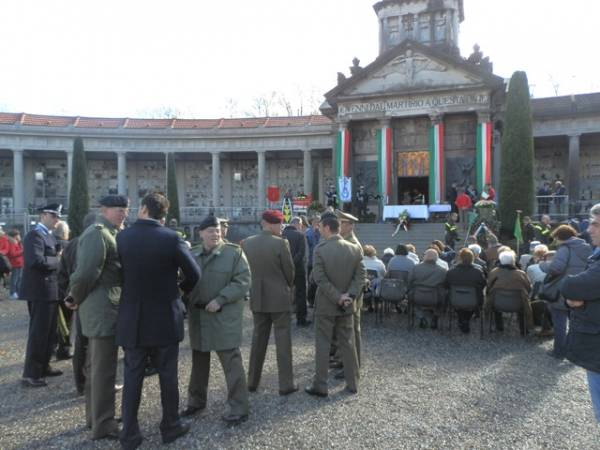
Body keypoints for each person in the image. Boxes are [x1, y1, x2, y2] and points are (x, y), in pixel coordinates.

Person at [116, 192, 201, 449]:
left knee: (132, 377)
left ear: (143, 209)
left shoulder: (123, 237)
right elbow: (194, 274)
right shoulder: (171, 238)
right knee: (167, 375)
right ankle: (170, 426)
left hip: (133, 316)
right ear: (163, 214)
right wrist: (179, 289)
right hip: (164, 316)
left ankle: (129, 434)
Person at [67, 195, 129, 441]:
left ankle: (96, 417)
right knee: (103, 369)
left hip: (103, 306)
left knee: (96, 367)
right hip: (102, 308)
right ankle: (104, 425)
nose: (123, 213)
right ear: (103, 210)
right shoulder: (99, 233)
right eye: (118, 209)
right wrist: (75, 296)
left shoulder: (110, 232)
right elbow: (85, 272)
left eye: (125, 209)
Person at [183, 215, 250, 425]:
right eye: (211, 230)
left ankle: (239, 407)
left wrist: (221, 299)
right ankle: (196, 401)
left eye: (218, 230)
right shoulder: (191, 254)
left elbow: (243, 281)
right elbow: (182, 282)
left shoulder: (234, 253)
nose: (216, 233)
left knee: (231, 362)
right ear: (200, 233)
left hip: (224, 316)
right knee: (199, 361)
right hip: (199, 317)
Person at [305, 214, 365, 397]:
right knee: (348, 344)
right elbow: (361, 277)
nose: (319, 230)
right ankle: (353, 383)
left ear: (327, 228)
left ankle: (320, 385)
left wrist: (337, 297)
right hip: (347, 305)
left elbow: (319, 279)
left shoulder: (320, 249)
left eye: (320, 227)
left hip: (326, 305)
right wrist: (349, 296)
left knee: (323, 344)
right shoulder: (355, 249)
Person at [241, 210, 297, 395]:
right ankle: (286, 384)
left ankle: (252, 381)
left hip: (258, 296)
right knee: (283, 341)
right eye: (279, 224)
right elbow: (289, 271)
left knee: (258, 341)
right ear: (269, 224)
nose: (281, 227)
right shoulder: (281, 243)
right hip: (279, 297)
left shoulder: (247, 243)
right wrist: (288, 287)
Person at [560, 203, 600, 423]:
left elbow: (569, 286)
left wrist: (579, 295)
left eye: (595, 224)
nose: (589, 229)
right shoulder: (592, 253)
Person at [21, 203, 63, 388]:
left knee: (50, 333)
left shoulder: (48, 235)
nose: (57, 220)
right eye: (54, 216)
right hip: (40, 291)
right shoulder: (34, 235)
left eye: (58, 217)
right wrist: (58, 260)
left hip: (50, 291)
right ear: (44, 215)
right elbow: (35, 261)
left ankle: (44, 365)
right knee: (39, 333)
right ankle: (31, 373)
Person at [57, 212, 97, 395]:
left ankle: (82, 383)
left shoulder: (71, 244)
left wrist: (69, 296)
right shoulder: (92, 243)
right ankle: (90, 383)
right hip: (91, 299)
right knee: (91, 344)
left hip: (77, 298)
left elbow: (62, 274)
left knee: (82, 343)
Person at [540, 225, 591, 359]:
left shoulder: (565, 248)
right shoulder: (587, 247)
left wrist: (542, 265)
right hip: (580, 290)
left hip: (563, 290)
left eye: (556, 238)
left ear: (560, 237)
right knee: (575, 323)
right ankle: (572, 350)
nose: (555, 242)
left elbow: (556, 269)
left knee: (559, 323)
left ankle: (559, 352)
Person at [485, 250, 533, 334]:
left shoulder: (494, 272)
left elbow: (488, 288)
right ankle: (523, 329)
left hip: (497, 304)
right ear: (513, 261)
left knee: (494, 296)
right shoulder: (521, 274)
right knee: (523, 299)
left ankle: (499, 327)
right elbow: (528, 288)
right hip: (518, 304)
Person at [445, 248, 486, 333]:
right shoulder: (478, 272)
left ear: (460, 258)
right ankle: (466, 319)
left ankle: (462, 319)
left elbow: (446, 285)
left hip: (455, 300)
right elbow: (483, 284)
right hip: (473, 300)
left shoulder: (451, 272)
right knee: (474, 299)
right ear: (472, 258)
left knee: (457, 300)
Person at [408, 248, 448, 329]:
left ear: (425, 257)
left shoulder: (416, 268)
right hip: (435, 297)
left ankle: (421, 317)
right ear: (436, 258)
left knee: (411, 301)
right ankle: (435, 316)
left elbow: (409, 281)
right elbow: (445, 285)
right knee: (443, 298)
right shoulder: (442, 271)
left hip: (418, 296)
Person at [282, 217, 310, 327]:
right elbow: (301, 253)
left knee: (284, 294)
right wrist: (292, 264)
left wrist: (286, 265)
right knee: (301, 294)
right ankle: (301, 319)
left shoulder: (281, 234)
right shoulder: (300, 235)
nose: (301, 227)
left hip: (283, 269)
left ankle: (283, 318)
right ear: (297, 224)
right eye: (301, 224)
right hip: (298, 269)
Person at [54, 220, 73, 360]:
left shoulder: (48, 241)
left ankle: (53, 348)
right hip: (63, 288)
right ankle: (64, 349)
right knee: (65, 321)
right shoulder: (68, 246)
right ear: (65, 233)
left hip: (49, 289)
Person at [305, 215, 321, 308]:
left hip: (319, 261)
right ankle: (311, 301)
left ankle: (317, 300)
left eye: (319, 222)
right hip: (311, 261)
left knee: (319, 281)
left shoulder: (322, 232)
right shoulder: (308, 232)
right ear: (312, 222)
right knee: (311, 282)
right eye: (316, 221)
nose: (317, 223)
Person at [7, 229, 24, 299]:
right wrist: (22, 251)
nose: (19, 236)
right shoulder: (12, 243)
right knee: (14, 280)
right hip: (15, 264)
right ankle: (12, 293)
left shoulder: (18, 243)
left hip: (20, 263)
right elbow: (12, 254)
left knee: (19, 279)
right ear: (14, 236)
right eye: (18, 235)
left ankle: (17, 292)